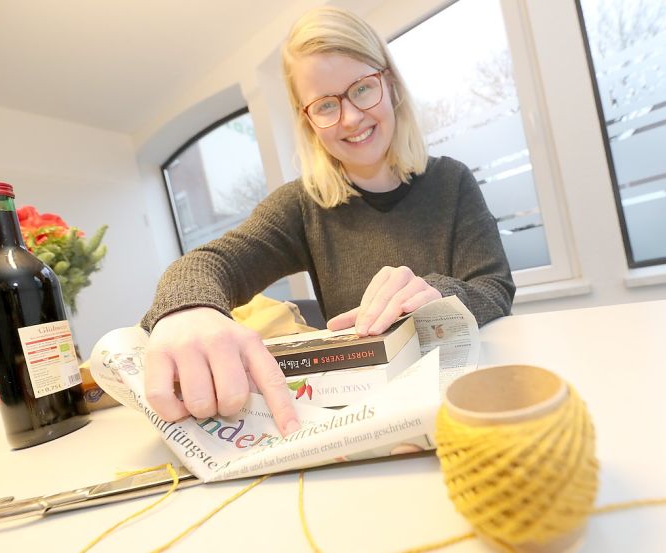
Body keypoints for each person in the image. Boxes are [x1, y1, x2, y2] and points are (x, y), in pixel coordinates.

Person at [140, 6, 515, 436]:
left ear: (388, 82)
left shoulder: (452, 181)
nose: (351, 118)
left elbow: (494, 288)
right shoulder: (303, 205)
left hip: (468, 399)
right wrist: (189, 309)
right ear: (308, 119)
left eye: (361, 89)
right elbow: (211, 263)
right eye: (326, 105)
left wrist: (437, 296)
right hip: (371, 419)